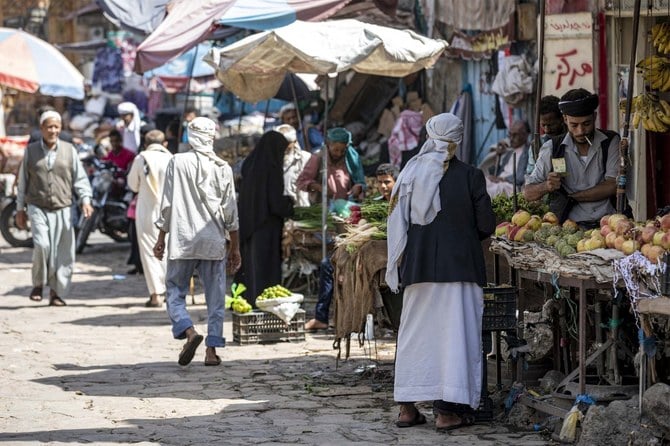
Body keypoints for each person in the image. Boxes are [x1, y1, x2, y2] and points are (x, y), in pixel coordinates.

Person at [385, 112, 495, 431]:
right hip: (461, 269)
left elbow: (396, 224)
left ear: (429, 135)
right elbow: (486, 224)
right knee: (456, 338)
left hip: (418, 270)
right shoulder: (471, 176)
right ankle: (446, 413)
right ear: (458, 139)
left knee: (415, 337)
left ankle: (407, 408)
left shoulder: (410, 173)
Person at [154, 117, 241, 367]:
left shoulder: (177, 162)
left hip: (182, 240)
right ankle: (212, 351)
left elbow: (167, 205)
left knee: (174, 291)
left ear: (191, 136)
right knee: (216, 298)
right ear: (212, 137)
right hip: (213, 241)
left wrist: (161, 238)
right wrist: (234, 247)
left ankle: (189, 331)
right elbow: (230, 212)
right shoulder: (222, 166)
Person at [303, 161, 397, 332]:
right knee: (327, 264)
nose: (383, 186)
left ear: (396, 182)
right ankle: (322, 317)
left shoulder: (401, 204)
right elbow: (362, 222)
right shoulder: (373, 203)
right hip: (363, 248)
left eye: (387, 182)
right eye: (380, 182)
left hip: (384, 254)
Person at [15, 111, 94, 306]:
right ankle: (38, 283)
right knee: (42, 245)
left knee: (63, 253)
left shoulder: (69, 150)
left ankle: (56, 292)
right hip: (37, 206)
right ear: (42, 128)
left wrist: (85, 199)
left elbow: (80, 178)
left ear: (60, 129)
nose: (53, 130)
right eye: (49, 126)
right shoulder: (31, 151)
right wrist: (19, 209)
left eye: (56, 127)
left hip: (63, 207)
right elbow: (23, 182)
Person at [524, 88, 619, 227]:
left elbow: (613, 185)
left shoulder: (610, 141)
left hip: (609, 225)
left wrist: (573, 197)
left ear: (595, 116)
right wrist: (546, 186)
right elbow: (528, 193)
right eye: (574, 125)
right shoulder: (552, 148)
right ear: (565, 119)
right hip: (569, 228)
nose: (580, 131)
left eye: (586, 124)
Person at [236, 131, 294, 307]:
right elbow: (275, 203)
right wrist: (290, 206)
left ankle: (252, 302)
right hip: (266, 226)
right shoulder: (272, 168)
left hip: (249, 225)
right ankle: (265, 306)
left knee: (253, 268)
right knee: (265, 270)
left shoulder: (250, 164)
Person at [127, 130, 173, 307]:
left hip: (147, 210)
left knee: (149, 250)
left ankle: (155, 295)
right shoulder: (172, 159)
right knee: (169, 251)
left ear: (145, 144)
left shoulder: (141, 158)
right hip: (170, 211)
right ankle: (171, 290)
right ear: (165, 143)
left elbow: (133, 185)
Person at [296, 127, 366, 202]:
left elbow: (360, 181)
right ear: (328, 145)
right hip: (322, 208)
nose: (339, 154)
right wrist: (320, 188)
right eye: (335, 150)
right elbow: (301, 182)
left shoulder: (350, 157)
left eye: (343, 150)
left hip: (346, 206)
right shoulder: (317, 158)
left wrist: (358, 187)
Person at [483, 120, 530, 198]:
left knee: (487, 190)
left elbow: (522, 177)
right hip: (499, 182)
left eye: (515, 135)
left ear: (525, 135)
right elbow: (496, 173)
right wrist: (499, 155)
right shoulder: (509, 152)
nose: (511, 139)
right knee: (478, 182)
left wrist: (502, 179)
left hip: (511, 186)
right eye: (510, 135)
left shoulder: (528, 152)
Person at [526, 95, 567, 176]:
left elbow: (563, 173)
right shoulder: (536, 145)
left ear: (562, 119)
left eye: (551, 125)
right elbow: (531, 174)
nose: (547, 130)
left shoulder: (572, 140)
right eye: (543, 125)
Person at [276, 123, 311, 208]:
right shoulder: (269, 161)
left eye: (286, 143)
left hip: (300, 209)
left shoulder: (305, 158)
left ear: (294, 142)